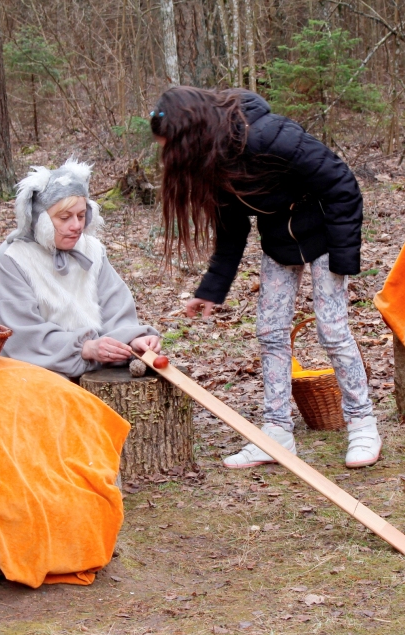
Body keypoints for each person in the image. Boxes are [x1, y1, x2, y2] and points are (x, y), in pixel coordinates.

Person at [150, 86, 380, 469]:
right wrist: (212, 288)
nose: (167, 156)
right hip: (280, 241)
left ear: (190, 134)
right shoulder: (213, 158)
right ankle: (276, 434)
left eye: (170, 145)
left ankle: (362, 423)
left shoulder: (267, 135)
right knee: (270, 331)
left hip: (325, 232)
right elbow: (232, 227)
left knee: (332, 329)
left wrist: (342, 258)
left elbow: (340, 182)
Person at [0, 157, 160, 377]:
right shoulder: (11, 259)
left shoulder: (91, 250)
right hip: (25, 379)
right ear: (40, 220)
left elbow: (115, 308)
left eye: (81, 216)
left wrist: (132, 340)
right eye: (64, 217)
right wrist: (84, 348)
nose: (76, 226)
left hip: (90, 375)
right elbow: (20, 335)